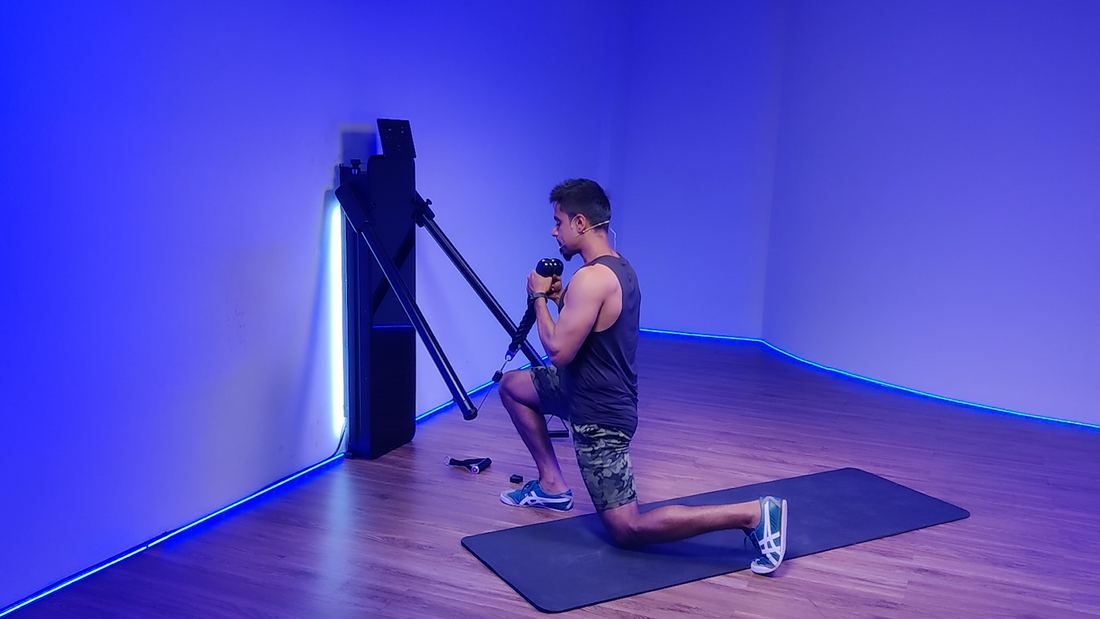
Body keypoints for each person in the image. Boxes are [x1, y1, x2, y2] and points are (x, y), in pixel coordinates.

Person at [496, 179, 788, 575]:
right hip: (578, 391)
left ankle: (753, 514)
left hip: (600, 416)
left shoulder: (591, 279)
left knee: (626, 528)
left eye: (558, 222)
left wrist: (538, 299)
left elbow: (559, 350)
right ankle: (551, 487)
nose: (553, 231)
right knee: (512, 386)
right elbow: (593, 325)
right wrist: (562, 299)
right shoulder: (617, 268)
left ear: (580, 222)